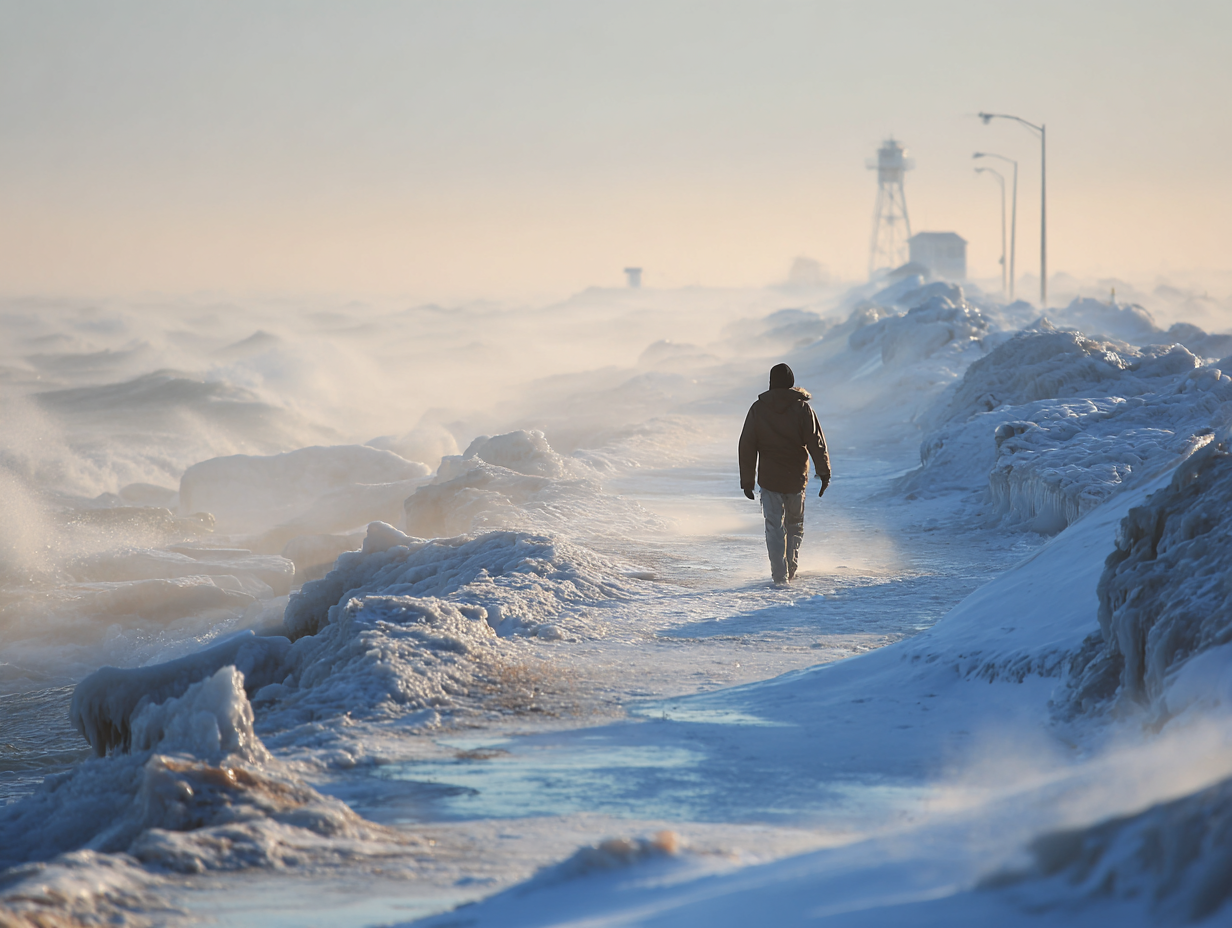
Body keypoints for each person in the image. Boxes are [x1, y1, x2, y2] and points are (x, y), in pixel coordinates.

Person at [738, 363, 831, 584]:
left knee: (774, 527)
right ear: (791, 383)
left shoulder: (758, 409)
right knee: (794, 525)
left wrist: (747, 482)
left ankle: (779, 575)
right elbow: (816, 443)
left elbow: (747, 445)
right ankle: (791, 568)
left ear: (771, 383)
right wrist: (824, 472)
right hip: (796, 478)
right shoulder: (802, 409)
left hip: (769, 479)